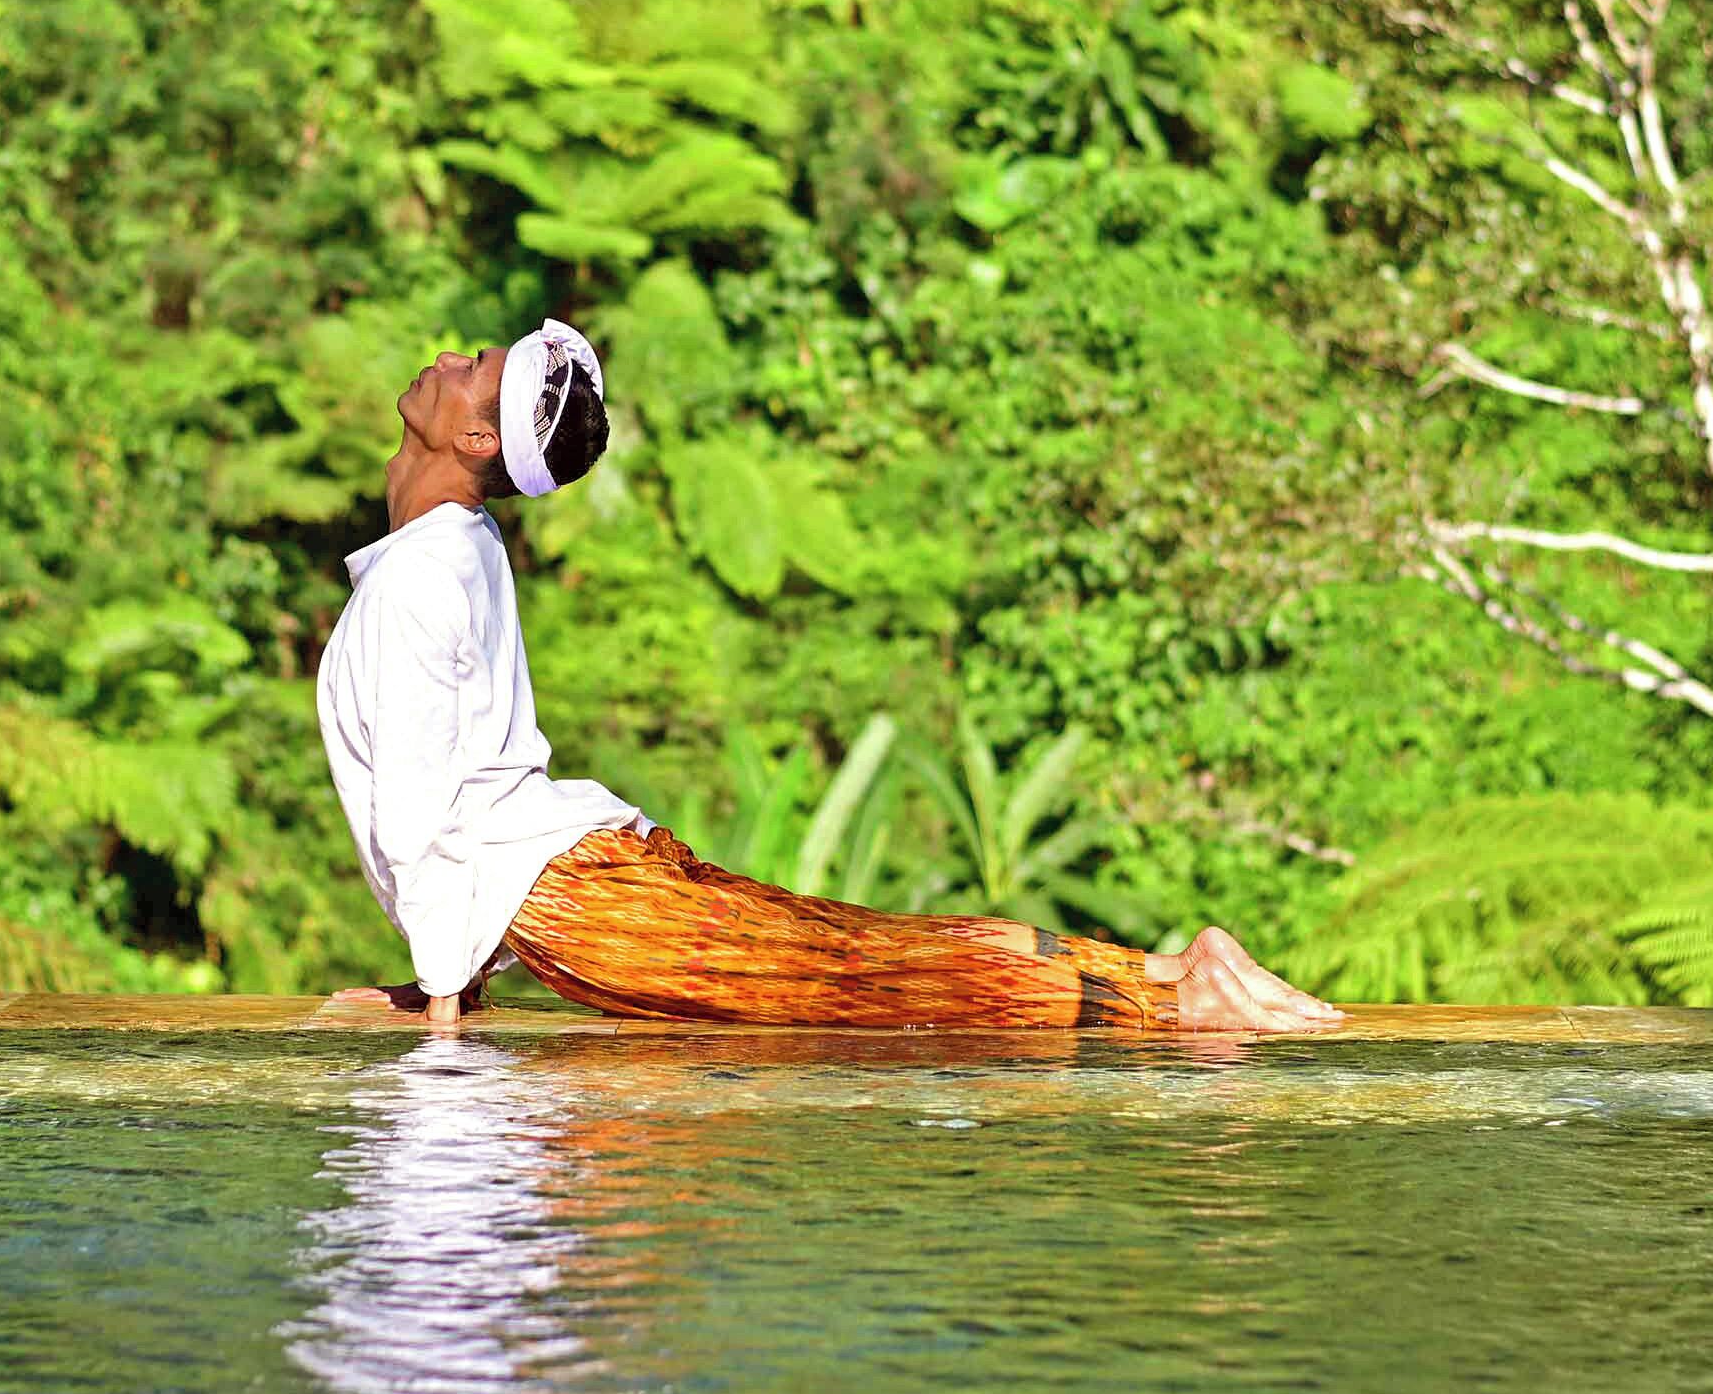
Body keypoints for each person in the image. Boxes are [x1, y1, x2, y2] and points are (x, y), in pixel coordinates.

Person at [314, 320, 1342, 1033]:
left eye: (470, 367)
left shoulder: (424, 576)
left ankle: (1171, 1000)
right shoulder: (462, 546)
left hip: (571, 897)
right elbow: (471, 782)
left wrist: (441, 1006)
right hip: (573, 867)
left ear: (478, 437)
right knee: (852, 954)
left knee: (858, 978)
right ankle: (1163, 974)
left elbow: (422, 813)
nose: (446, 358)